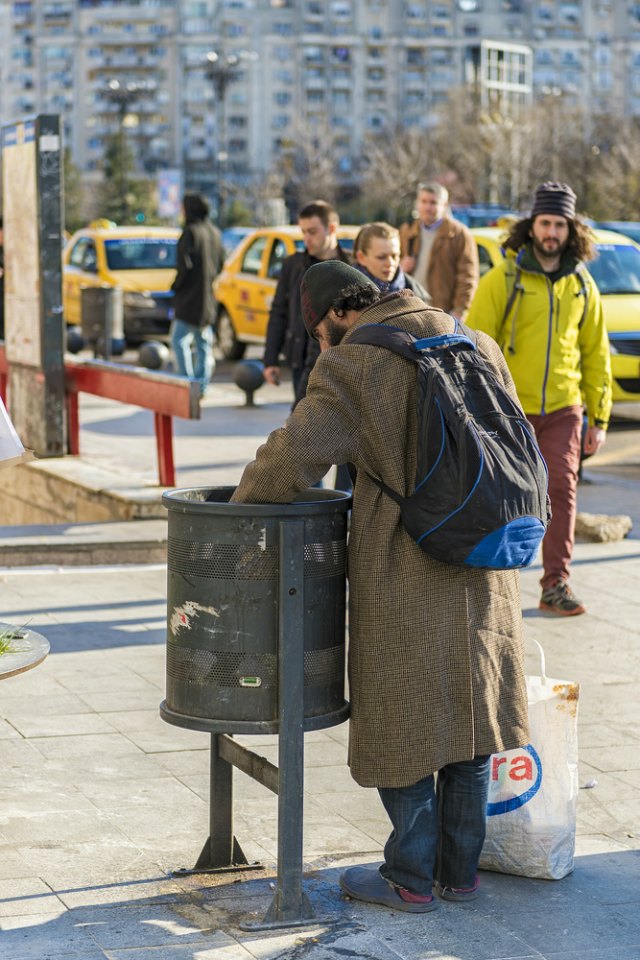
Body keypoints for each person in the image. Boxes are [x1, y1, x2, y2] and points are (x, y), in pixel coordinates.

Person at [231, 260, 529, 912]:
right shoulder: (471, 338)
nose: (320, 346)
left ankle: (410, 876)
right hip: (483, 560)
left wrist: (240, 504)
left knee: (404, 717)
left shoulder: (356, 362)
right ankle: (460, 869)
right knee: (470, 717)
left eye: (318, 333)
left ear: (339, 313)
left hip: (408, 565)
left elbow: (294, 454)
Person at [467, 181, 612, 617]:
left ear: (572, 230)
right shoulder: (503, 279)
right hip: (511, 407)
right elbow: (474, 343)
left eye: (560, 224)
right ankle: (495, 582)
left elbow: (595, 351)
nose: (552, 232)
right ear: (531, 226)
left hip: (565, 406)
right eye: (545, 223)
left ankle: (555, 584)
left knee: (562, 489)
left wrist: (599, 418)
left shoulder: (582, 286)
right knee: (506, 495)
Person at [263, 199, 351, 407]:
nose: (306, 239)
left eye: (312, 232)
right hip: (299, 359)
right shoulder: (293, 265)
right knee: (301, 418)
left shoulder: (349, 267)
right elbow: (279, 312)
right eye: (303, 232)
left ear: (331, 228)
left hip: (338, 360)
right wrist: (270, 359)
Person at [170, 192, 224, 398]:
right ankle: (201, 385)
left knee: (179, 340)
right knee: (203, 343)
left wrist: (175, 285)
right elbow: (220, 264)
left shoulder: (190, 232)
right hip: (208, 298)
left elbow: (183, 266)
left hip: (189, 299)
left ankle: (187, 384)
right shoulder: (214, 233)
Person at [399, 182, 479, 319]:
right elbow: (390, 267)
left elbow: (468, 277)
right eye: (423, 202)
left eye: (433, 203)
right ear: (417, 203)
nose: (427, 207)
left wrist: (459, 312)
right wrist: (401, 267)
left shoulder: (459, 234)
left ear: (444, 205)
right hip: (410, 309)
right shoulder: (407, 230)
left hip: (442, 313)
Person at [353, 221, 429, 301]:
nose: (390, 263)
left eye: (395, 256)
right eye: (381, 257)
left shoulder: (418, 294)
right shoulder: (346, 297)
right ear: (361, 258)